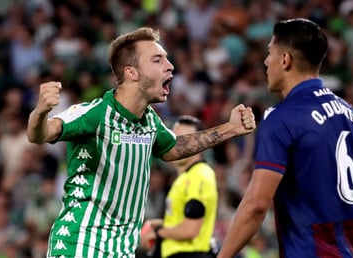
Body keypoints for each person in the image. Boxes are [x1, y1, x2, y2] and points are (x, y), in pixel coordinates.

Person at [26, 27, 256, 257]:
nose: (170, 65)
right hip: (81, 243)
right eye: (158, 60)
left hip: (122, 248)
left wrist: (231, 129)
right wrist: (40, 112)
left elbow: (173, 147)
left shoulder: (149, 122)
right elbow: (40, 134)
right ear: (132, 72)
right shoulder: (95, 113)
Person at [217, 18, 353, 258]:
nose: (265, 61)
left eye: (270, 53)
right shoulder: (351, 114)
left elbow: (256, 204)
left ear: (285, 60)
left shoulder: (281, 118)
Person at [141, 115, 218, 258]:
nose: (178, 144)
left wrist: (157, 232)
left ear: (200, 145)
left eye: (184, 139)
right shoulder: (184, 178)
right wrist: (157, 224)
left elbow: (190, 229)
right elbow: (182, 221)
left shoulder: (199, 175)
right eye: (175, 139)